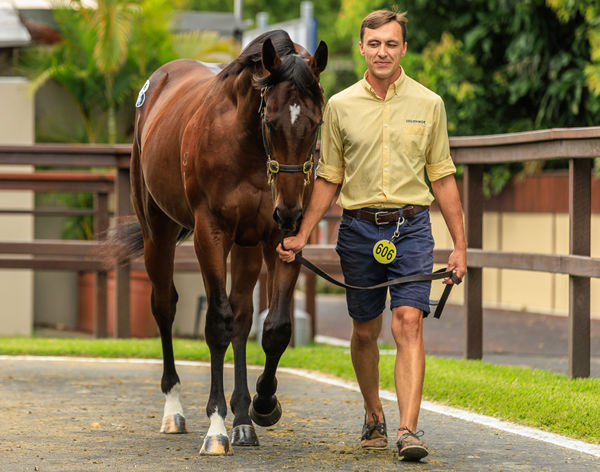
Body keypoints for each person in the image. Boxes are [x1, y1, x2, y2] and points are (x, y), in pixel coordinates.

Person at [277, 9, 467, 461]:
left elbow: (442, 178)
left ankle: (408, 430)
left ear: (403, 48)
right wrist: (303, 232)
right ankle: (373, 415)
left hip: (413, 227)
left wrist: (460, 246)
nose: (383, 51)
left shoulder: (430, 104)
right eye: (375, 43)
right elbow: (329, 178)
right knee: (365, 330)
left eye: (392, 43)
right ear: (362, 48)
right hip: (359, 229)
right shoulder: (339, 106)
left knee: (409, 322)